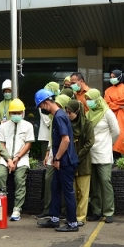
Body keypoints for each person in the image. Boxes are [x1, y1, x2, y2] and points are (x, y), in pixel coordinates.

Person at [36, 89, 79, 232]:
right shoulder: (59, 116)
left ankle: (72, 223)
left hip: (65, 161)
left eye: (41, 106)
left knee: (68, 192)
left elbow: (65, 140)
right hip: (62, 160)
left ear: (47, 103)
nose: (41, 109)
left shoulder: (59, 117)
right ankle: (54, 218)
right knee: (55, 188)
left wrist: (57, 158)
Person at [0, 98, 35, 221]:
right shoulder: (3, 127)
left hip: (22, 158)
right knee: (1, 176)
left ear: (23, 113)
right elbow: (1, 143)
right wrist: (8, 159)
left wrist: (17, 157)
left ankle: (17, 209)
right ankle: (2, 205)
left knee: (19, 179)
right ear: (9, 114)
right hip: (5, 158)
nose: (16, 115)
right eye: (14, 113)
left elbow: (28, 144)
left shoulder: (28, 126)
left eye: (18, 113)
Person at [86, 89, 119, 223]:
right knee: (94, 185)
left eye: (90, 99)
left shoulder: (107, 113)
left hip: (104, 153)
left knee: (105, 182)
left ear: (97, 99)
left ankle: (109, 212)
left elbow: (116, 131)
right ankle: (96, 211)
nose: (88, 102)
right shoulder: (88, 114)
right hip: (91, 153)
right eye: (87, 99)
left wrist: (108, 144)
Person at [66, 99, 94, 225]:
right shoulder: (66, 124)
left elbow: (90, 143)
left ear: (78, 112)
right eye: (66, 112)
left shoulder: (87, 124)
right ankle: (72, 216)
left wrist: (77, 157)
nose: (68, 115)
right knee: (72, 191)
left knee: (83, 192)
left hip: (83, 163)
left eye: (70, 112)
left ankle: (81, 218)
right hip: (70, 163)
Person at [104, 69, 124, 158]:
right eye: (111, 77)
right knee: (114, 141)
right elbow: (107, 104)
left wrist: (114, 102)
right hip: (112, 118)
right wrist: (119, 106)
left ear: (119, 77)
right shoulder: (108, 90)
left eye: (114, 77)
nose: (112, 79)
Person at [38, 82, 60, 159]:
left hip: (54, 135)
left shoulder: (54, 101)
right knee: (47, 159)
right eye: (57, 89)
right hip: (46, 136)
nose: (58, 91)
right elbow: (47, 121)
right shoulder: (43, 102)